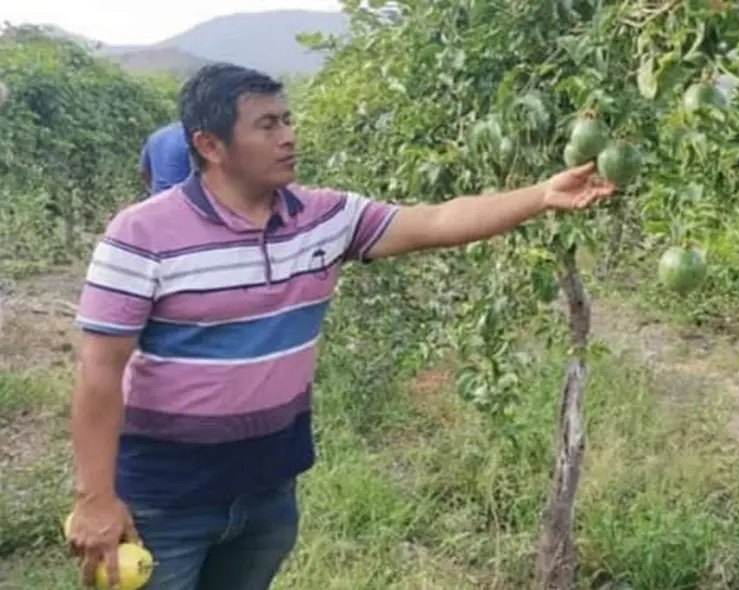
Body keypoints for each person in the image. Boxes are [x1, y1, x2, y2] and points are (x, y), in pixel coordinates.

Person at [66, 62, 616, 590]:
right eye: (267, 125)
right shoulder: (142, 234)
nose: (288, 136)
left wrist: (543, 195)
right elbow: (99, 371)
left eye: (288, 120)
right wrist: (95, 498)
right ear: (211, 145)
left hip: (268, 491)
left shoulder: (324, 218)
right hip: (164, 500)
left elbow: (437, 219)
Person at [139, 121, 192, 196]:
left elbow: (145, 173)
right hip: (184, 196)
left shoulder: (155, 136)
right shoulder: (192, 137)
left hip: (158, 196)